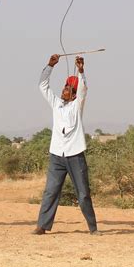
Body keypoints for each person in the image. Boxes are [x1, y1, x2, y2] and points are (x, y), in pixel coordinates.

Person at [32, 54, 100, 235]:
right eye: (64, 87)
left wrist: (81, 70)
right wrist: (49, 66)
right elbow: (42, 86)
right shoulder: (56, 104)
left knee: (83, 193)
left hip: (75, 154)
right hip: (56, 156)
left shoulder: (77, 105)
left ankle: (93, 228)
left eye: (68, 88)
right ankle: (42, 226)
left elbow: (84, 88)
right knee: (50, 192)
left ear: (74, 94)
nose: (64, 90)